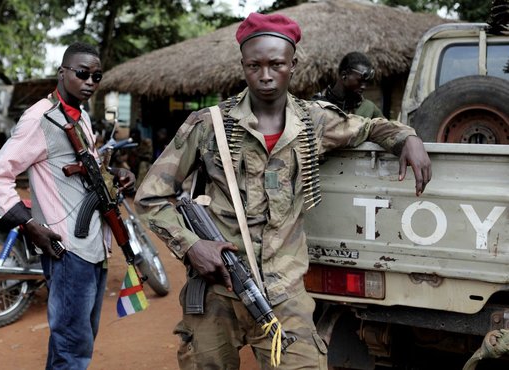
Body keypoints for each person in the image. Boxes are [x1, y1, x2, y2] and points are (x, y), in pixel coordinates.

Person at [134, 12, 431, 370]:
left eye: (276, 64)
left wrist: (406, 138)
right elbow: (151, 196)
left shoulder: (314, 122)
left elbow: (367, 127)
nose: (265, 75)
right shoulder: (208, 124)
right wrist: (192, 245)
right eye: (253, 65)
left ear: (293, 63)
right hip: (217, 295)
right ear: (243, 65)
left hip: (284, 296)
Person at [0, 42, 134, 369]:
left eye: (96, 75)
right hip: (66, 249)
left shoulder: (79, 117)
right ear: (62, 72)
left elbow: (85, 172)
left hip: (93, 244)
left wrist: (114, 173)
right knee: (72, 345)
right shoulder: (41, 118)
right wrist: (28, 224)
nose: (90, 81)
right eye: (82, 73)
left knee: (80, 337)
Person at [313, 51, 384, 119]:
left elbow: (388, 129)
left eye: (366, 83)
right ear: (344, 75)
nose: (364, 87)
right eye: (360, 81)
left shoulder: (368, 108)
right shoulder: (317, 104)